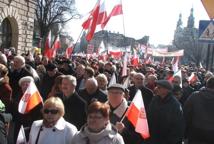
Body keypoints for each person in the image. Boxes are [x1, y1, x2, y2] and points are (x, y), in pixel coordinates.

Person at [146, 80, 185, 144]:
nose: (156, 89)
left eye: (159, 87)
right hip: (153, 138)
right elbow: (149, 115)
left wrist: (171, 141)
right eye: (156, 87)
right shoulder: (155, 99)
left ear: (167, 90)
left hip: (167, 140)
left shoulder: (175, 105)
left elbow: (178, 126)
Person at [184, 76, 214, 144]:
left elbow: (186, 113)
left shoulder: (194, 95)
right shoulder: (195, 95)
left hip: (195, 131)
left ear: (207, 84)